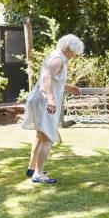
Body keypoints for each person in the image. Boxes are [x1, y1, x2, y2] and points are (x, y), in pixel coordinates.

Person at [22, 34, 84, 183]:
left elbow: (54, 79)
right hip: (44, 102)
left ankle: (32, 169)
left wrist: (69, 88)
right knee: (48, 138)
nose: (74, 56)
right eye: (74, 53)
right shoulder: (58, 60)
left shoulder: (56, 56)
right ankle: (39, 174)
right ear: (68, 49)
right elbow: (46, 78)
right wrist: (50, 99)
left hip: (39, 100)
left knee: (40, 136)